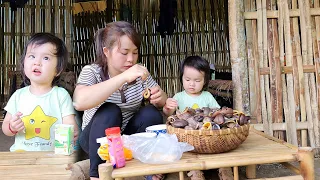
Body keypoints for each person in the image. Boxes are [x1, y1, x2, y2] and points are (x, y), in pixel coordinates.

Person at [73, 21, 167, 180]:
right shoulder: (92, 72)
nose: (131, 59)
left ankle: (149, 168)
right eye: (124, 53)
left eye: (135, 52)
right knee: (110, 109)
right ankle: (97, 174)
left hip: (126, 140)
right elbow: (79, 102)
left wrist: (160, 98)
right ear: (106, 52)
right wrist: (123, 78)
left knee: (151, 113)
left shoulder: (139, 73)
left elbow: (163, 99)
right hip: (95, 139)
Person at [2, 33, 79, 152]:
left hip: (53, 155)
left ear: (58, 70)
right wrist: (12, 127)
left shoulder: (61, 95)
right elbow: (5, 128)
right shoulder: (18, 95)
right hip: (22, 156)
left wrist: (73, 130)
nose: (37, 62)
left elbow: (69, 123)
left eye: (46, 58)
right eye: (32, 56)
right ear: (24, 63)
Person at [163, 55, 221, 180]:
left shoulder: (207, 96)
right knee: (188, 155)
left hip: (206, 137)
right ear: (182, 78)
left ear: (205, 81)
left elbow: (217, 112)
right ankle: (195, 172)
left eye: (197, 80)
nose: (192, 84)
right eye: (188, 79)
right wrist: (168, 108)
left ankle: (222, 169)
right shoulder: (178, 97)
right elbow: (170, 116)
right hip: (187, 138)